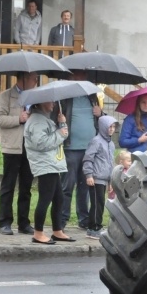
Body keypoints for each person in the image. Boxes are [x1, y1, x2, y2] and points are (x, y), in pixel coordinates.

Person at [53, 70, 102, 230]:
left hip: (89, 150)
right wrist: (61, 121)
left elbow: (101, 122)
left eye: (83, 76)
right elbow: (54, 120)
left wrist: (100, 114)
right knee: (67, 185)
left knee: (85, 186)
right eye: (77, 75)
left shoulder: (92, 97)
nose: (81, 78)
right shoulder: (64, 99)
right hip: (70, 148)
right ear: (71, 78)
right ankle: (62, 219)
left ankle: (84, 219)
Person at [0, 72, 38, 236]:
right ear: (23, 78)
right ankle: (5, 222)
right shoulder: (5, 96)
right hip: (12, 147)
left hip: (30, 146)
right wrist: (18, 118)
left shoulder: (35, 97)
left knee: (26, 187)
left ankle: (24, 223)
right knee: (8, 186)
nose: (36, 81)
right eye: (34, 78)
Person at [24, 100, 74, 244]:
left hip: (51, 164)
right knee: (45, 199)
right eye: (49, 101)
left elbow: (60, 135)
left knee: (59, 199)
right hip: (45, 165)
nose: (53, 104)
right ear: (39, 103)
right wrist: (60, 132)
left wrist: (62, 124)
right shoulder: (37, 121)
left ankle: (57, 231)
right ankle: (38, 233)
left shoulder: (44, 119)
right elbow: (41, 143)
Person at [82, 116, 117, 239]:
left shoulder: (111, 144)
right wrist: (89, 175)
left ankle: (96, 226)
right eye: (109, 127)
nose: (112, 129)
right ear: (102, 127)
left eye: (113, 127)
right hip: (95, 178)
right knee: (97, 203)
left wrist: (111, 181)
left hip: (104, 179)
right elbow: (88, 159)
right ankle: (93, 227)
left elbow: (110, 162)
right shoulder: (96, 141)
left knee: (101, 203)